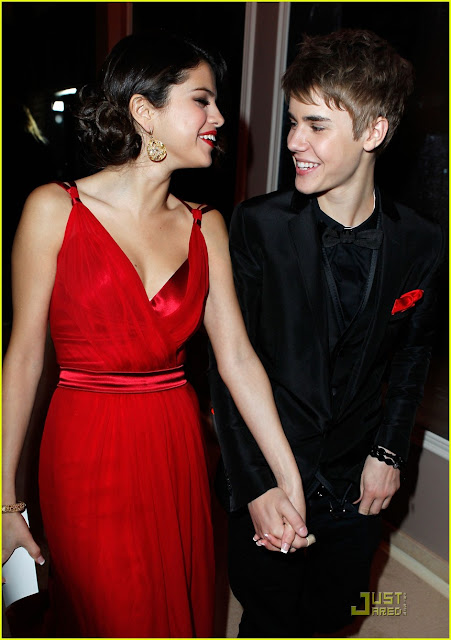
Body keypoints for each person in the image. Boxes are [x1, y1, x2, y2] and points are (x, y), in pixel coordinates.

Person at [2, 32, 310, 638]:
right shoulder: (53, 209)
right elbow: (24, 357)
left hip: (174, 445)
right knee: (108, 612)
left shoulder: (206, 225)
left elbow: (237, 358)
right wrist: (5, 498)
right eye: (202, 100)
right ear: (144, 111)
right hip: (84, 447)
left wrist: (287, 476)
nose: (219, 118)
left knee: (177, 606)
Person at [209, 28, 445, 637]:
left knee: (337, 618)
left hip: (358, 484)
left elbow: (413, 355)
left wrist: (389, 453)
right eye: (293, 123)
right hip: (271, 478)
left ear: (373, 132)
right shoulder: (257, 225)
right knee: (267, 621)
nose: (294, 141)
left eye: (315, 125)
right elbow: (228, 365)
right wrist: (256, 487)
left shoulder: (423, 242)